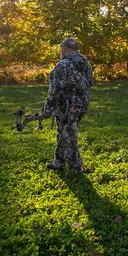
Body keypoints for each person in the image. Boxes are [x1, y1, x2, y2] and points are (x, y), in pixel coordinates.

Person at [42, 38, 93, 171]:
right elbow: (89, 83)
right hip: (82, 104)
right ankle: (58, 162)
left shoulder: (63, 65)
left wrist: (48, 108)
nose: (60, 51)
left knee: (68, 132)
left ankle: (75, 165)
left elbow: (55, 89)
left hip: (68, 105)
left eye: (61, 48)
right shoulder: (85, 63)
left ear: (66, 49)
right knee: (63, 130)